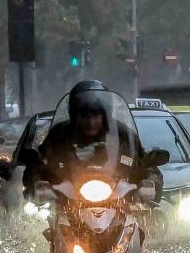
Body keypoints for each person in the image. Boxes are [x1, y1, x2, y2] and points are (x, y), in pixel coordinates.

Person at [24, 80, 161, 199]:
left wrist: (149, 184)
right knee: (45, 226)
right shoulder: (58, 136)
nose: (90, 122)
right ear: (74, 115)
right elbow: (39, 165)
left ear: (105, 115)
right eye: (85, 116)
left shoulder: (123, 136)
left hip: (119, 205)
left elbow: (145, 165)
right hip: (68, 205)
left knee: (145, 223)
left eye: (96, 116)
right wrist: (41, 184)